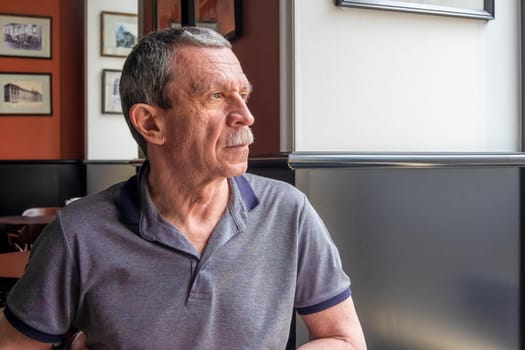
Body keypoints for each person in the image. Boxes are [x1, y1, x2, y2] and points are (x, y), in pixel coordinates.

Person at [0, 27, 366, 349]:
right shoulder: (77, 232)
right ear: (150, 123)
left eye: (244, 95)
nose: (246, 115)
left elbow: (344, 338)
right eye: (216, 97)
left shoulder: (288, 210)